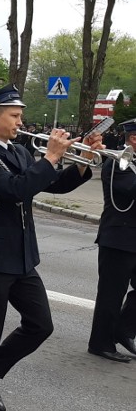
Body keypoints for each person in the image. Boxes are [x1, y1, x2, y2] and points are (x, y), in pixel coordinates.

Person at [0, 84, 101, 411]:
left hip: (22, 255)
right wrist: (51, 157)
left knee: (40, 325)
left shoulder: (20, 152)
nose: (20, 121)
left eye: (20, 115)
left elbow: (52, 185)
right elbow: (15, 189)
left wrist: (81, 161)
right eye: (14, 115)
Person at [88, 117, 136, 363]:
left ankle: (124, 329)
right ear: (134, 138)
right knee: (111, 294)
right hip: (118, 237)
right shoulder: (119, 162)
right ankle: (101, 343)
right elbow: (129, 190)